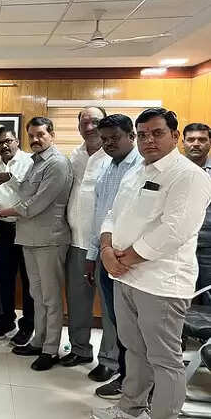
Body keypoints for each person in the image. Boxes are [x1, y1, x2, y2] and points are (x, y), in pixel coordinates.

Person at [91, 108, 211, 419]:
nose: (149, 140)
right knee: (134, 349)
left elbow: (174, 230)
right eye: (143, 135)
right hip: (125, 277)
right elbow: (112, 214)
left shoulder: (189, 176)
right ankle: (131, 409)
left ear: (175, 136)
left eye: (157, 133)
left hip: (160, 283)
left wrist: (125, 259)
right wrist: (106, 249)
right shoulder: (136, 171)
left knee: (164, 359)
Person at [0, 117, 73, 372]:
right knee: (37, 295)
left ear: (52, 134)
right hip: (28, 237)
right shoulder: (35, 162)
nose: (35, 139)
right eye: (31, 135)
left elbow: (34, 205)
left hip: (49, 239)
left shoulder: (57, 163)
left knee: (51, 298)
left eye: (40, 134)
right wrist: (10, 179)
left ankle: (50, 349)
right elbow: (24, 192)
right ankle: (39, 341)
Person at [85, 114, 141, 400]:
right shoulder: (107, 166)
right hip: (105, 256)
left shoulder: (141, 167)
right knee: (118, 320)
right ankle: (125, 376)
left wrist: (120, 256)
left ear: (131, 136)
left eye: (114, 138)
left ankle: (136, 383)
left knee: (133, 327)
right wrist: (93, 254)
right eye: (104, 139)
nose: (108, 144)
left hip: (129, 261)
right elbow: (100, 214)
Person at [64, 106, 118, 382]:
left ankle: (109, 359)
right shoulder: (74, 156)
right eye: (84, 122)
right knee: (77, 301)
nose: (89, 127)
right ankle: (80, 349)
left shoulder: (114, 157)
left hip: (106, 245)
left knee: (109, 306)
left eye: (94, 121)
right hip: (76, 241)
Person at [0, 127, 35, 346]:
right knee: (3, 277)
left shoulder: (31, 162)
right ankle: (6, 321)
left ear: (17, 141)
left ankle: (28, 326)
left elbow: (32, 194)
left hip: (27, 226)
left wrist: (11, 178)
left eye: (8, 141)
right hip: (4, 226)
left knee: (28, 279)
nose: (4, 146)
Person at [182, 123, 211, 305]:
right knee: (182, 301)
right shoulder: (173, 170)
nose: (196, 144)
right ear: (182, 142)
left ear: (209, 142)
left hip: (208, 248)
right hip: (179, 247)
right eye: (191, 139)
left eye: (202, 139)